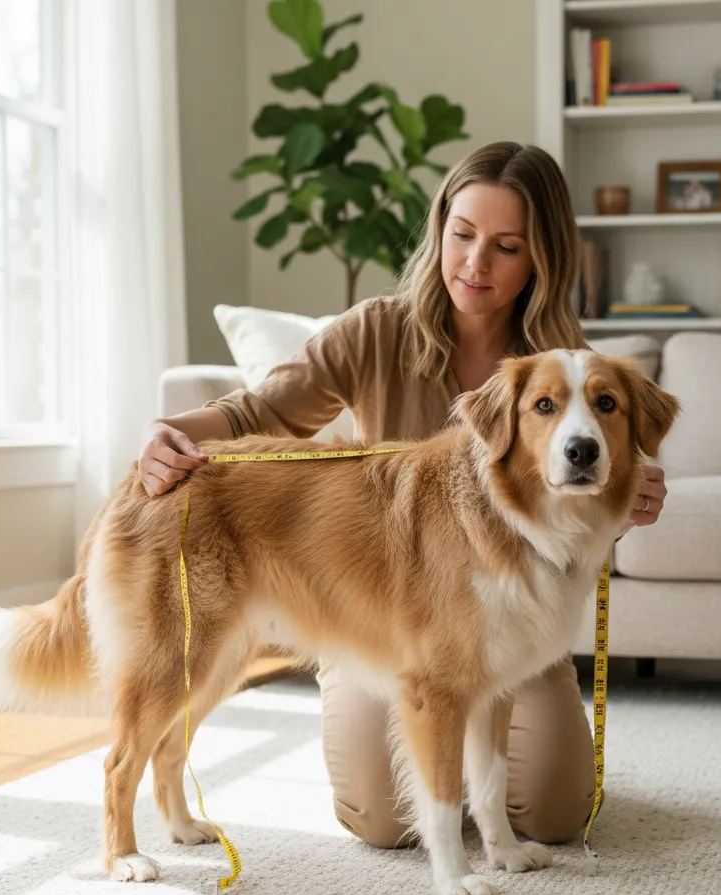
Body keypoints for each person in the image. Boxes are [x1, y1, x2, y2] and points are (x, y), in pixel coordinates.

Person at [136, 141, 667, 849]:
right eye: (463, 236)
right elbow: (258, 414)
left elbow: (579, 516)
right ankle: (451, 784)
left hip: (509, 626)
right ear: (440, 228)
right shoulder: (377, 329)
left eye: (507, 247)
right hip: (386, 625)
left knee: (554, 815)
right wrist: (170, 432)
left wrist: (628, 500)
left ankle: (503, 770)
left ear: (540, 256)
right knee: (381, 821)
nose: (476, 264)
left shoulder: (560, 362)